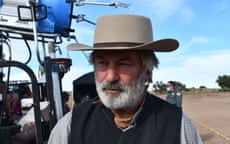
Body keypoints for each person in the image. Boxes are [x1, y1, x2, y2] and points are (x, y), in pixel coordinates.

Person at [48, 14, 202, 144]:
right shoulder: (71, 125)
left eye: (124, 64)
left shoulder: (177, 124)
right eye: (102, 63)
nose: (111, 76)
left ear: (147, 72)